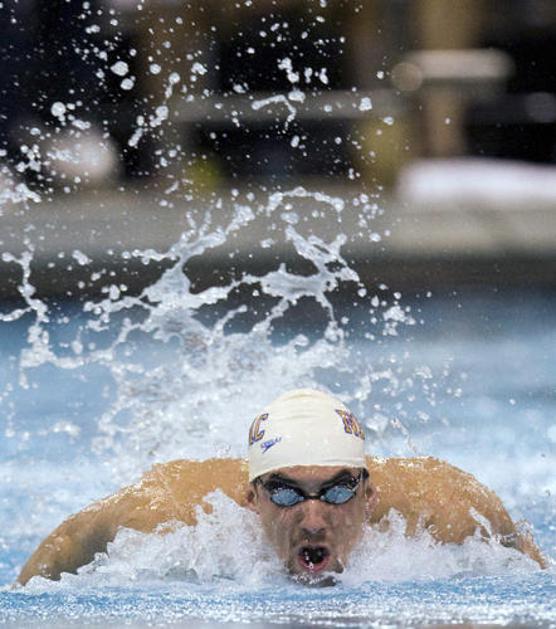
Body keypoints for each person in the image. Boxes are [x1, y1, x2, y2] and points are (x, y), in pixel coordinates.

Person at [17, 389, 546, 586]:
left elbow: (537, 579)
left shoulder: (448, 510)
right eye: (287, 493)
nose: (313, 520)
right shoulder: (165, 513)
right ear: (250, 500)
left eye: (337, 491)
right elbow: (62, 547)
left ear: (370, 494)